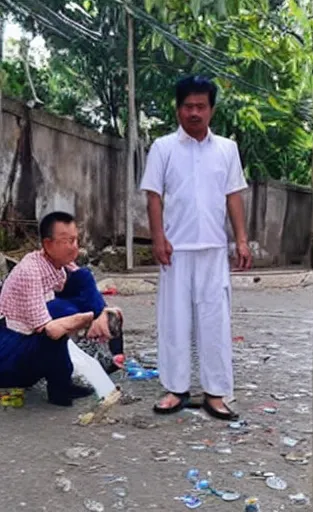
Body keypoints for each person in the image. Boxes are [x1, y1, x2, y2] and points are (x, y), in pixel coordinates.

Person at [140, 75, 252, 420]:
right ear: (178, 109)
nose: (194, 112)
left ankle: (216, 393)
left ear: (211, 109)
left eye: (200, 106)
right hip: (175, 250)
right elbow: (154, 197)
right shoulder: (163, 148)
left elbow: (233, 196)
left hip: (214, 250)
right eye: (187, 106)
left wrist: (242, 239)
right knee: (174, 321)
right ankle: (176, 389)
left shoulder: (226, 149)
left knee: (215, 321)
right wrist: (158, 238)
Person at [0, 211, 124, 406]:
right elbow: (49, 329)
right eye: (68, 241)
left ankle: (109, 349)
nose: (75, 247)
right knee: (61, 313)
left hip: (29, 341)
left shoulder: (58, 266)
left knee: (83, 278)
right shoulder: (29, 272)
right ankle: (60, 388)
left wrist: (101, 313)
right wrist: (88, 319)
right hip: (8, 356)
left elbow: (84, 284)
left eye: (76, 240)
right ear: (48, 244)